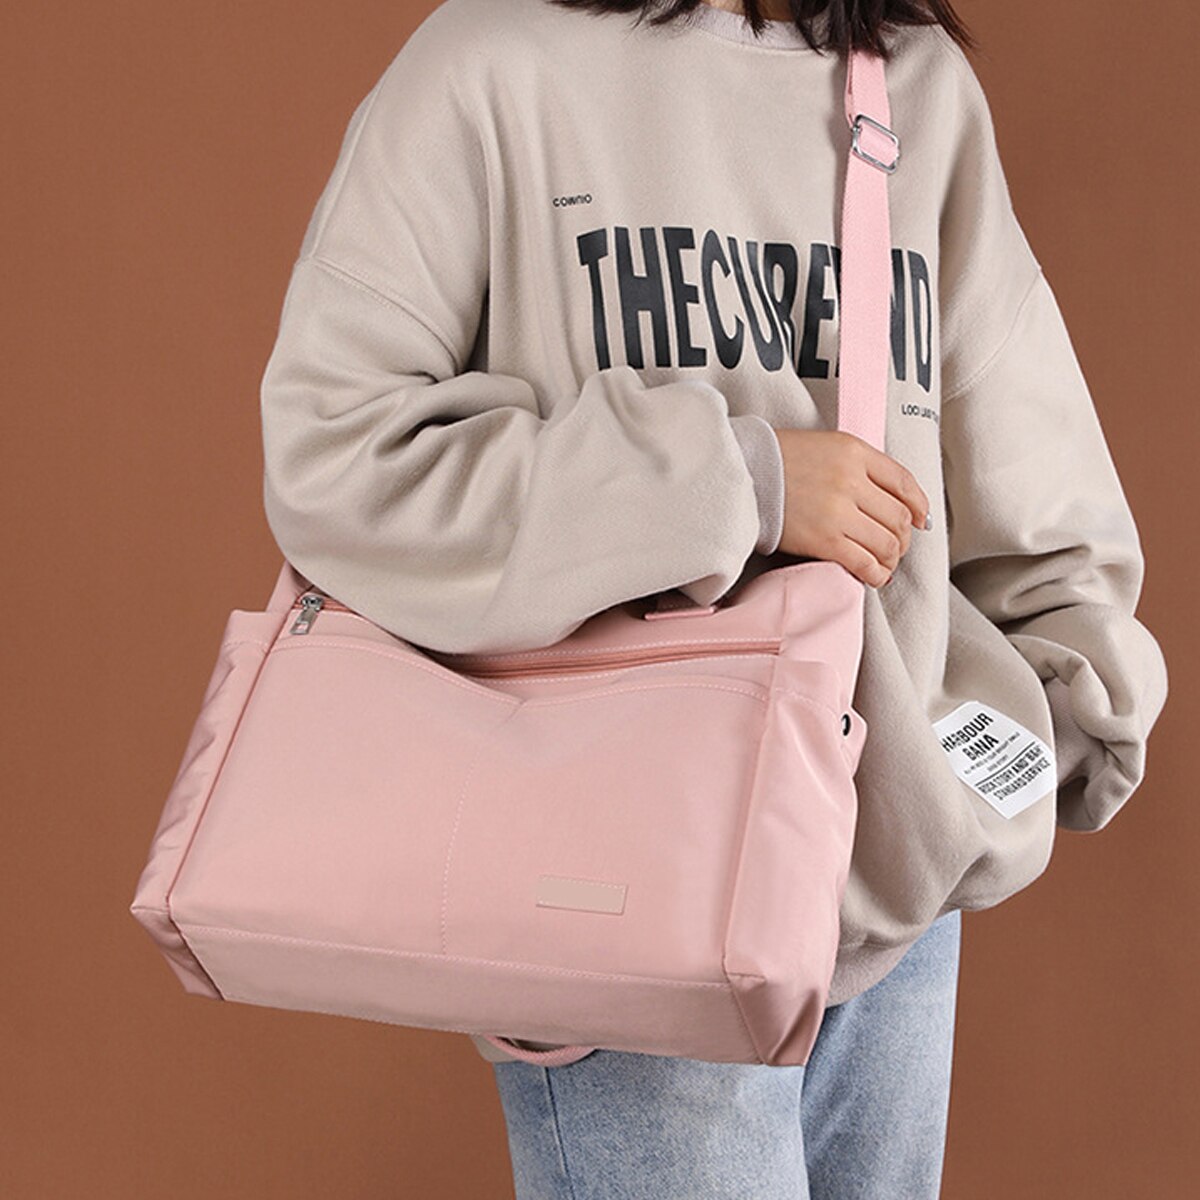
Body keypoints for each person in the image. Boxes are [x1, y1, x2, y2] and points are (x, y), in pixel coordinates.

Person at [257, 0, 1171, 1195]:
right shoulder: (491, 67)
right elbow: (338, 454)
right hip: (628, 885)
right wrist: (739, 481)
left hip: (896, 888)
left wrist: (1058, 723)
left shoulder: (913, 83)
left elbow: (1034, 480)